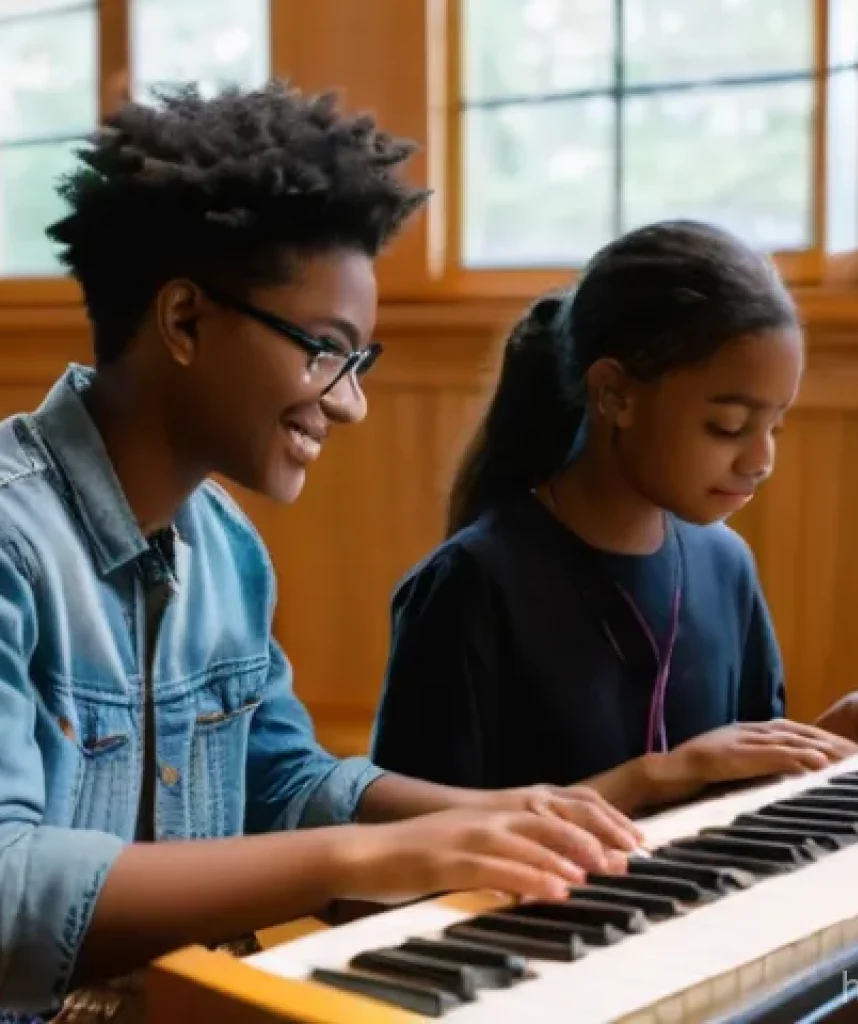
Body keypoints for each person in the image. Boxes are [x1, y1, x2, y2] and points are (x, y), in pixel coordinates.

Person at [0, 82, 641, 1022]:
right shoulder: (13, 544)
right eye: (324, 350)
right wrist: (376, 857)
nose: (349, 402)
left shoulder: (225, 548)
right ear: (184, 322)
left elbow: (285, 780)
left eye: (359, 361)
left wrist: (498, 815)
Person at [370, 219, 858, 815]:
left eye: (775, 426)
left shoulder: (725, 563)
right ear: (615, 393)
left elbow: (731, 792)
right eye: (729, 427)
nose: (761, 459)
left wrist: (831, 738)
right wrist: (658, 776)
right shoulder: (473, 582)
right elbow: (409, 841)